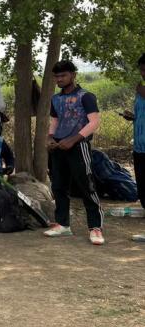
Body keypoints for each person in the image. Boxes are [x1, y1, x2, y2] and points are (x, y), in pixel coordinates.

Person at [44, 60, 104, 245]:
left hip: (79, 147)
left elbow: (94, 122)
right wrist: (50, 137)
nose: (59, 79)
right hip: (59, 147)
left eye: (63, 75)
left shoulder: (86, 96)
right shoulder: (56, 98)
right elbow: (55, 120)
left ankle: (95, 228)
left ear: (73, 75)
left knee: (87, 186)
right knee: (59, 186)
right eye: (56, 76)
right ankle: (63, 225)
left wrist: (73, 139)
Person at [121, 53, 145, 242]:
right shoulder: (140, 90)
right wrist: (133, 116)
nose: (143, 73)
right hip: (140, 146)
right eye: (142, 70)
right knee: (142, 188)